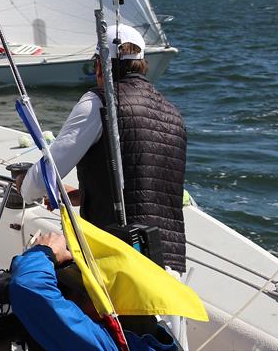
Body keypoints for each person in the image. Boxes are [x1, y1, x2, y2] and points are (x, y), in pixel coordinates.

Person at [18, 25, 187, 275]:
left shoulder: (99, 102)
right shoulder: (173, 114)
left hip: (122, 255)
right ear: (142, 64)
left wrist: (25, 185)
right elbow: (143, 181)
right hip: (168, 260)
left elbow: (45, 177)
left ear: (100, 65)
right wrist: (83, 194)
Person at [9, 232, 178, 351]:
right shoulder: (147, 337)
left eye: (81, 292)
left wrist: (44, 251)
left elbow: (28, 286)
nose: (68, 297)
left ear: (104, 311)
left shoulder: (100, 345)